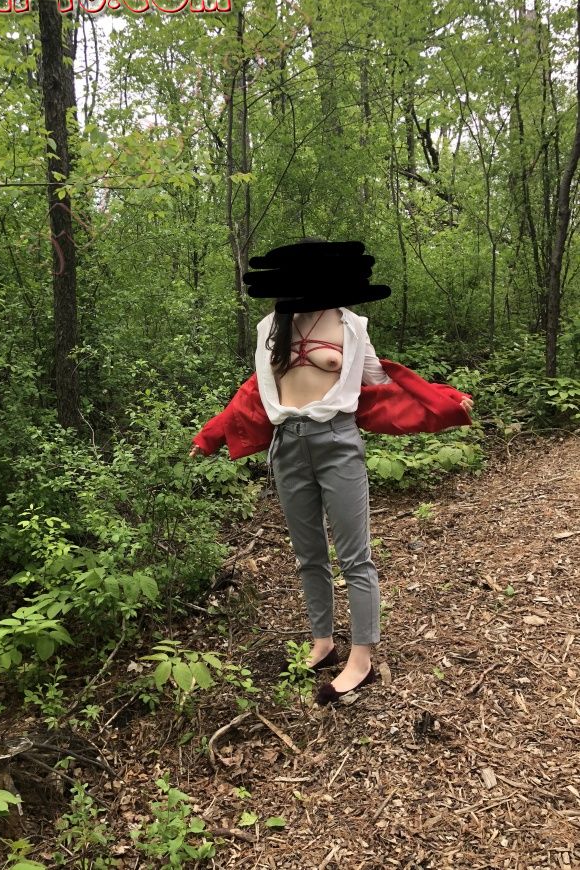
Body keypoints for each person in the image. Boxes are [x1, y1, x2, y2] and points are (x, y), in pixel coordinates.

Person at [190, 241, 474, 706]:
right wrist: (210, 435)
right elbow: (255, 394)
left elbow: (383, 381)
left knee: (355, 556)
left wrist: (443, 399)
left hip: (337, 441)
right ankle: (322, 643)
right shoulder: (271, 325)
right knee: (309, 556)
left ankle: (361, 658)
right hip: (288, 446)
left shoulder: (350, 324)